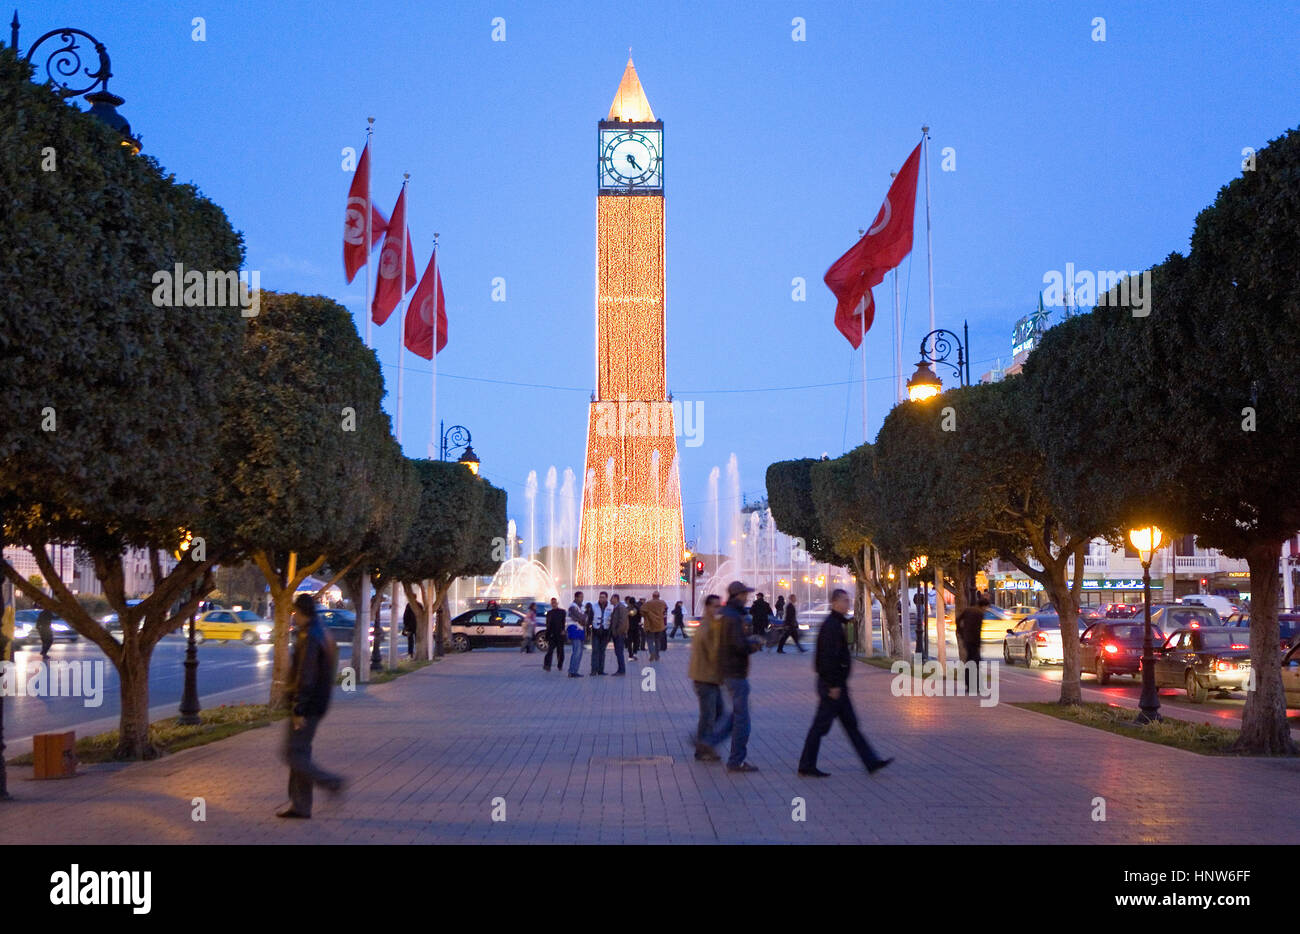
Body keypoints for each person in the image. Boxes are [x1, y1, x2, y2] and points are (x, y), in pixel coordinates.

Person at [797, 589, 893, 778]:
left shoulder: (836, 624)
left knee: (851, 725)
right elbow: (826, 658)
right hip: (832, 687)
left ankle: (871, 761)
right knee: (820, 727)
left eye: (848, 601)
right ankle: (806, 765)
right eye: (844, 601)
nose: (847, 604)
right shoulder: (831, 626)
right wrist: (832, 685)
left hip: (838, 686)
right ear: (834, 603)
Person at [277, 595, 344, 818]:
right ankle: (301, 805)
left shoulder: (310, 636)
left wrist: (298, 708)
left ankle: (331, 782)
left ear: (301, 611)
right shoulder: (319, 630)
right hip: (316, 703)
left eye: (294, 612)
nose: (293, 616)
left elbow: (306, 676)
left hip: (308, 705)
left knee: (292, 754)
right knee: (300, 752)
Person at [719, 581, 763, 772]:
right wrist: (754, 645)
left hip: (730, 671)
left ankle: (708, 740)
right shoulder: (733, 616)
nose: (747, 598)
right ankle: (736, 760)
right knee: (742, 719)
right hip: (735, 672)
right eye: (745, 594)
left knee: (738, 715)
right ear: (738, 595)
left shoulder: (728, 614)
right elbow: (737, 645)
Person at [688, 594, 729, 761]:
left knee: (716, 713)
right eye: (715, 606)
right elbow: (714, 654)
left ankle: (703, 743)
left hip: (709, 678)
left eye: (719, 606)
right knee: (709, 715)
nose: (718, 609)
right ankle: (703, 747)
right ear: (707, 607)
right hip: (705, 678)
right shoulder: (707, 627)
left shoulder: (712, 624)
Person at [955, 597, 986, 694]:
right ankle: (975, 686)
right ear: (984, 606)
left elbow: (958, 620)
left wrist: (961, 632)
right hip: (974, 641)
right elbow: (978, 630)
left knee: (969, 662)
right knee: (975, 664)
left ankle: (969, 685)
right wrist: (979, 644)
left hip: (967, 640)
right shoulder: (979, 613)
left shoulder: (968, 610)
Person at [641, 590, 668, 661]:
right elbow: (665, 613)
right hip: (659, 625)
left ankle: (652, 653)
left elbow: (642, 611)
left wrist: (647, 617)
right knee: (657, 641)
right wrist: (664, 623)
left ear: (652, 596)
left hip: (650, 625)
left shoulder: (648, 603)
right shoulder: (663, 603)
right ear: (659, 596)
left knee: (650, 640)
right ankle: (657, 655)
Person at [590, 592, 611, 675]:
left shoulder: (610, 606)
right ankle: (593, 670)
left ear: (606, 598)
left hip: (605, 632)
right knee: (595, 651)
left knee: (602, 651)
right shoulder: (594, 606)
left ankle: (601, 670)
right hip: (596, 631)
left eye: (603, 597)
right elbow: (590, 618)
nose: (601, 599)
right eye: (600, 597)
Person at [543, 598, 567, 672]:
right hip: (552, 635)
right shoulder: (549, 613)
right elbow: (548, 625)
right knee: (550, 651)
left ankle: (560, 665)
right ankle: (547, 665)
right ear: (551, 604)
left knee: (560, 651)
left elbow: (564, 622)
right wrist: (547, 636)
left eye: (555, 602)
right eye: (552, 603)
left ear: (557, 603)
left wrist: (563, 631)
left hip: (560, 635)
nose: (554, 604)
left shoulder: (562, 612)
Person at [566, 594, 586, 678]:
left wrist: (583, 618)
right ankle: (572, 671)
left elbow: (584, 618)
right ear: (576, 597)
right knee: (576, 652)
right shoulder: (572, 607)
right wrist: (583, 618)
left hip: (579, 630)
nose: (582, 599)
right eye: (581, 597)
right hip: (574, 629)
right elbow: (579, 617)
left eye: (582, 597)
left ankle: (575, 670)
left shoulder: (581, 607)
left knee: (580, 652)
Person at [609, 594, 629, 675]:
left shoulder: (621, 607)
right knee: (618, 652)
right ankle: (620, 669)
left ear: (616, 599)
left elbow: (623, 621)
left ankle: (621, 670)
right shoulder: (617, 607)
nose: (610, 600)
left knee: (619, 652)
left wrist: (618, 632)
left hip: (619, 634)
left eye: (611, 599)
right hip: (617, 633)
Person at [627, 595, 642, 660]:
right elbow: (640, 616)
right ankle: (635, 653)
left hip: (629, 626)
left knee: (630, 641)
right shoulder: (637, 608)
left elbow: (628, 615)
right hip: (636, 626)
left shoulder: (628, 608)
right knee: (636, 640)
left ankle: (631, 654)